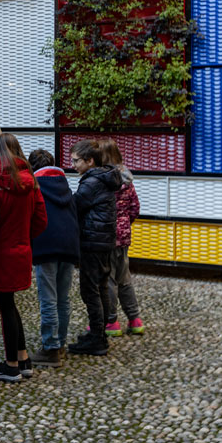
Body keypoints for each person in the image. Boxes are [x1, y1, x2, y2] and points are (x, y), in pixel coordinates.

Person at [0, 134, 47, 383]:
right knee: (10, 304)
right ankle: (23, 358)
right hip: (21, 251)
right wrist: (23, 238)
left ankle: (11, 366)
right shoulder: (32, 183)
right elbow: (41, 220)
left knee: (6, 306)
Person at [26, 149, 80, 368]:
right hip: (69, 247)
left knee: (48, 298)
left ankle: (51, 348)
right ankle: (61, 344)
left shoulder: (34, 186)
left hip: (46, 247)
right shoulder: (65, 185)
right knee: (62, 298)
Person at [67, 139, 121, 357]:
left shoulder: (91, 182)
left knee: (90, 290)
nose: (73, 165)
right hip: (104, 241)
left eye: (76, 161)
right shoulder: (103, 177)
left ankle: (97, 339)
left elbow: (75, 206)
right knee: (100, 288)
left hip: (92, 242)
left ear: (90, 161)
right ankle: (99, 334)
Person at [99, 139, 145, 336]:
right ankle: (134, 320)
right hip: (124, 236)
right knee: (124, 277)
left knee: (107, 279)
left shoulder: (103, 179)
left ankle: (111, 322)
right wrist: (125, 224)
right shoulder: (126, 179)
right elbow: (135, 207)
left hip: (107, 235)